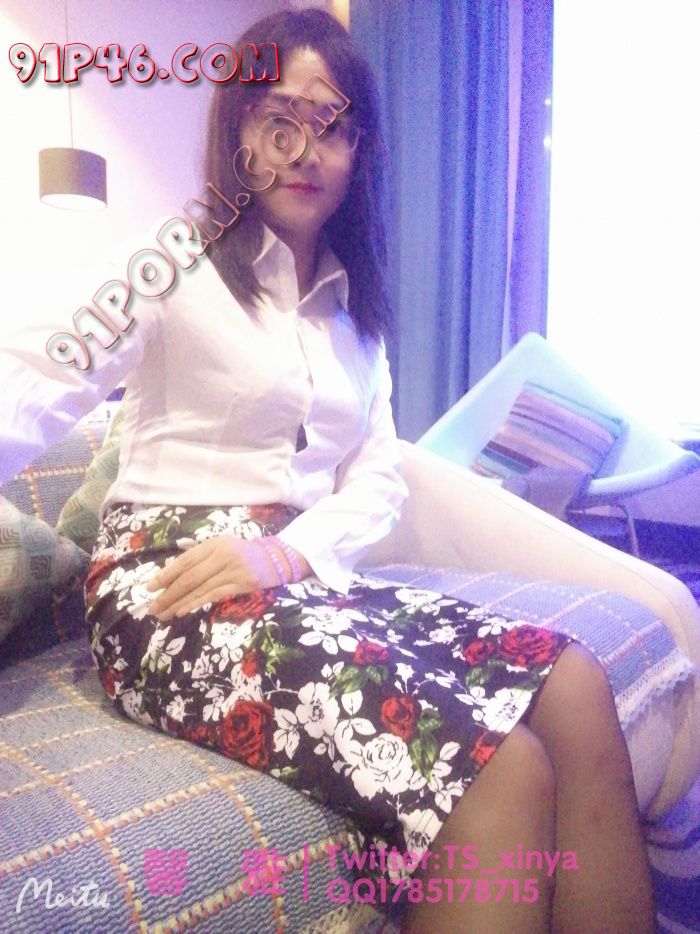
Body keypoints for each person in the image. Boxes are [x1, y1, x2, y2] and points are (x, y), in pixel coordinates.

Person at [1, 9, 656, 933]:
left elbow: (378, 477)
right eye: (281, 117)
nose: (306, 149)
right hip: (171, 583)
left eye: (334, 125)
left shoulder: (356, 312)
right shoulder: (172, 259)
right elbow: (34, 376)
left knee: (574, 682)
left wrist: (288, 553)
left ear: (359, 151)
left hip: (297, 576)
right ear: (238, 132)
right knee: (499, 767)